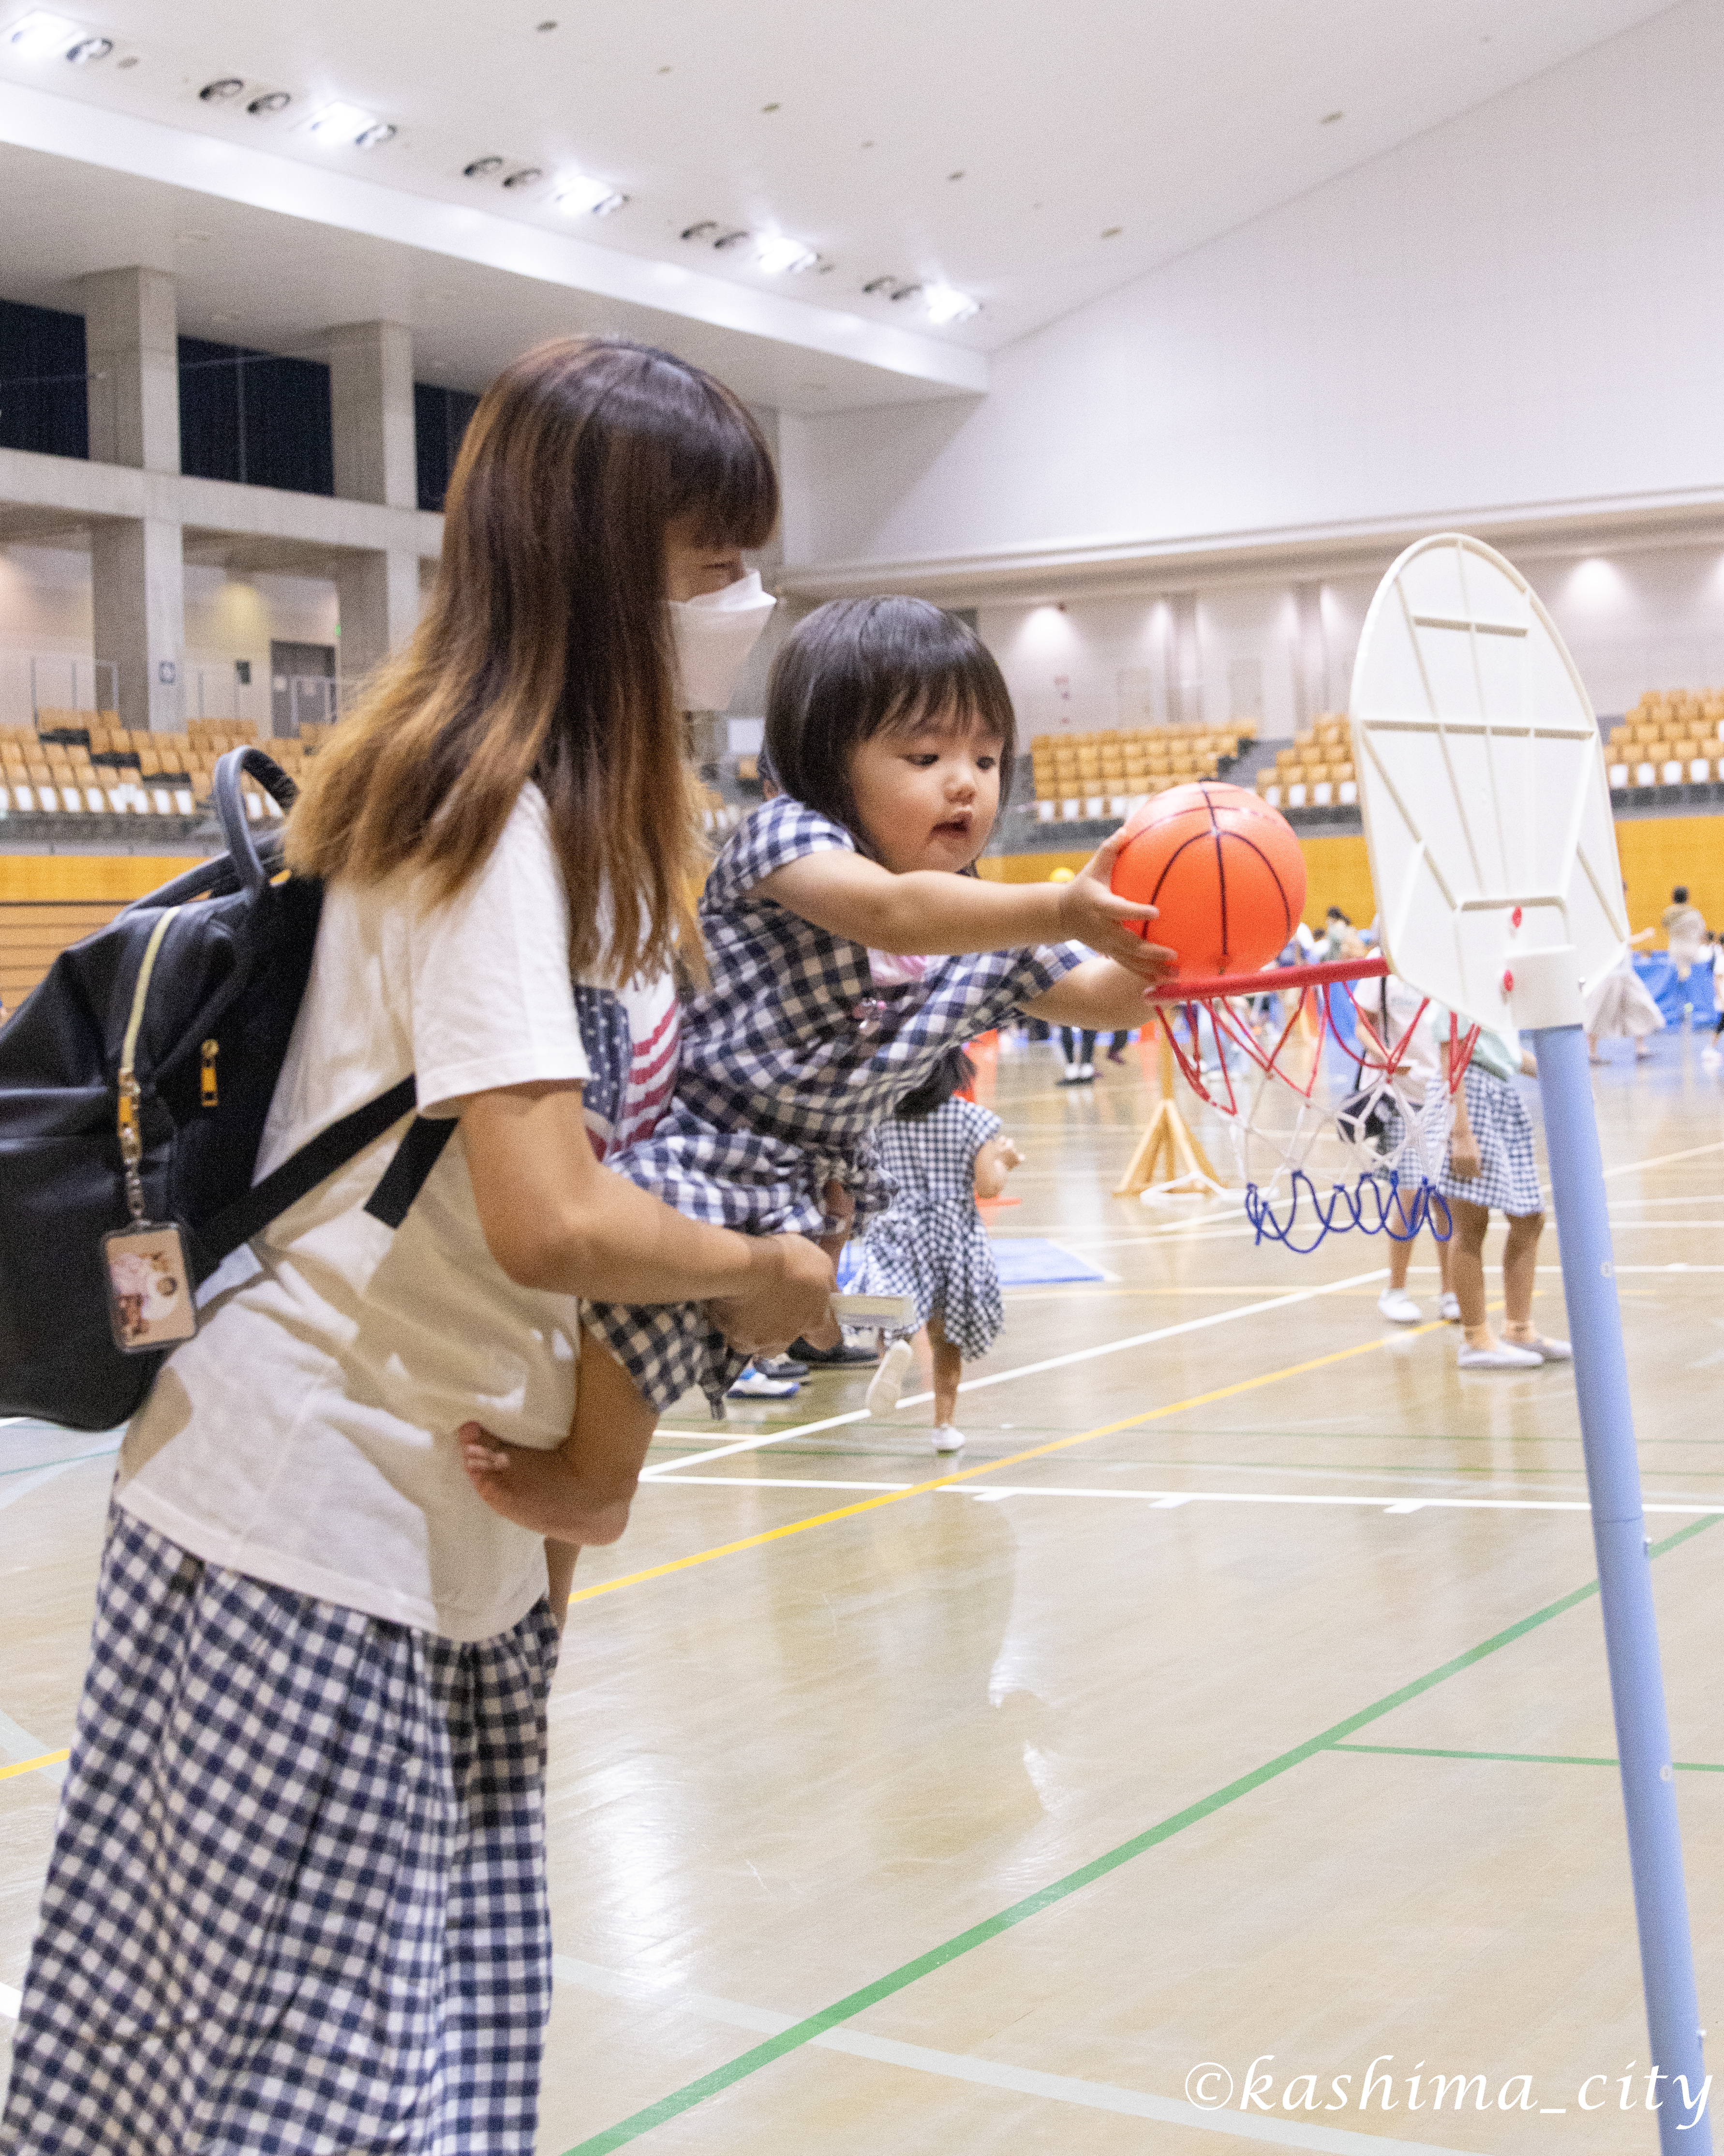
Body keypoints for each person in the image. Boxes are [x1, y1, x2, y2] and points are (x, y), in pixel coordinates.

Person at [1, 337, 840, 2156]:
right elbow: (554, 1220)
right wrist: (768, 1277)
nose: (736, 606)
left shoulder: (490, 790)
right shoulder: (497, 822)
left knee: (253, 2056)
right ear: (601, 566)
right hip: (323, 1517)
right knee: (319, 2088)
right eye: (707, 567)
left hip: (379, 1500)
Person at [461, 596, 1178, 1534]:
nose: (965, 783)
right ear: (825, 764)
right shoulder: (788, 840)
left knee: (707, 1320)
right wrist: (1058, 907)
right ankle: (600, 1476)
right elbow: (888, 913)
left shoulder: (985, 930)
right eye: (924, 758)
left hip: (817, 1171)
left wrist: (1196, 947)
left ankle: (601, 1477)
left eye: (988, 758)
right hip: (708, 1129)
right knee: (634, 1302)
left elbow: (1107, 997)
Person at [849, 1047, 1020, 1452]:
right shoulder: (974, 1121)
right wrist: (1007, 1162)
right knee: (947, 1337)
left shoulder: (881, 1122)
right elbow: (988, 1187)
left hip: (896, 1226)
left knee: (895, 1305)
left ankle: (895, 1346)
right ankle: (944, 1426)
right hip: (953, 1233)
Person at [1433, 1026, 1571, 1371]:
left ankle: (1519, 1330)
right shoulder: (1460, 981)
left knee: (1530, 1218)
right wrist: (1461, 1132)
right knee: (1470, 1223)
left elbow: (1502, 1050)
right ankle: (1476, 1339)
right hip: (1469, 1095)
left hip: (1500, 1092)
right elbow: (1451, 1049)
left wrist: (1568, 1070)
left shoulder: (1493, 993)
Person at [1359, 973, 1459, 1326]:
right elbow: (1362, 1026)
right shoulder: (1380, 967)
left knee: (1445, 1197)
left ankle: (1451, 1292)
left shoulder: (1441, 962)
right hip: (1400, 1096)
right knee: (1411, 1194)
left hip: (1443, 1094)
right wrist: (1384, 1054)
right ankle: (1395, 1290)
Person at [1585, 925, 1661, 1063]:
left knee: (1640, 1006)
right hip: (1609, 975)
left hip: (1626, 973)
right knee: (1600, 1013)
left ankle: (1641, 1048)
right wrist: (1644, 935)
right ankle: (1592, 1053)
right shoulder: (1605, 919)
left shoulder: (1621, 917)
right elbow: (1619, 941)